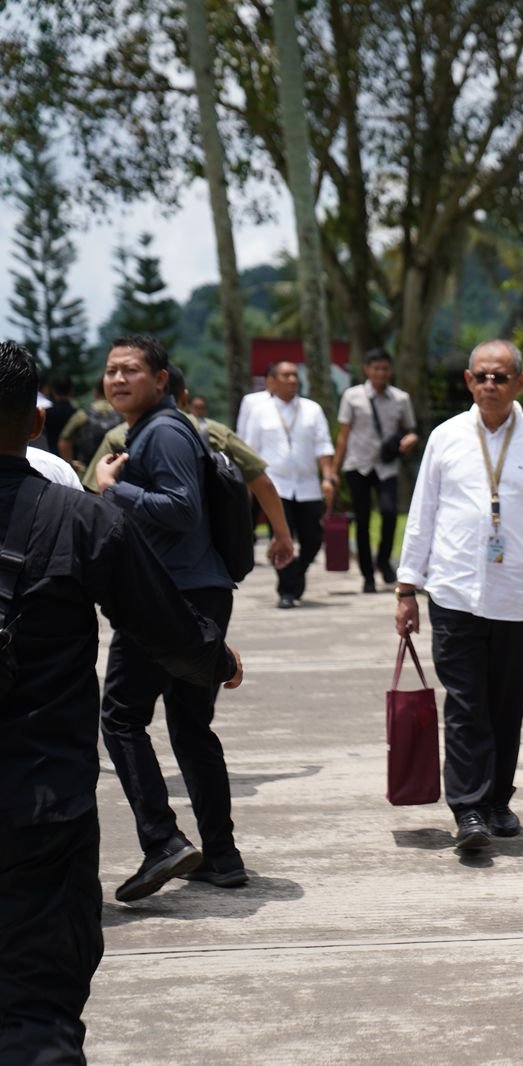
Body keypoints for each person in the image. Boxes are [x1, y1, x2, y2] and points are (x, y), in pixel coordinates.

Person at [0, 340, 243, 1065]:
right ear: (38, 425)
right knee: (38, 1016)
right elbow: (164, 629)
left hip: (46, 811)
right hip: (44, 815)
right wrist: (216, 657)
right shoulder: (81, 520)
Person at [394, 339, 523, 849]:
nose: (490, 384)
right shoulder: (446, 437)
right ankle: (468, 810)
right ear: (469, 381)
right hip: (454, 591)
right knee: (466, 704)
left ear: (520, 383)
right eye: (482, 376)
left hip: (516, 595)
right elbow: (422, 515)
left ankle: (497, 800)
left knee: (507, 704)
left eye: (500, 377)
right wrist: (406, 589)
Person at [93, 334, 251, 900]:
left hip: (169, 597)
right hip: (195, 593)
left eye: (130, 370)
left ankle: (163, 840)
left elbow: (181, 509)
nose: (117, 380)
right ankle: (223, 855)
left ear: (161, 380)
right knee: (189, 726)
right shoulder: (157, 429)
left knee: (119, 718)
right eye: (111, 371)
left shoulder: (162, 431)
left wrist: (114, 490)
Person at [82, 364, 295, 573]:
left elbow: (92, 497)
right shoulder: (214, 431)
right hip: (206, 559)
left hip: (143, 557)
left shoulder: (118, 437)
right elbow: (261, 481)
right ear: (184, 397)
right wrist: (282, 534)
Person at [236, 360, 336, 608]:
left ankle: (297, 573)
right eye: (286, 375)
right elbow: (250, 449)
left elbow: (323, 445)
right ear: (271, 381)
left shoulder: (312, 409)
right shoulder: (260, 411)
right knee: (280, 536)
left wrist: (328, 476)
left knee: (313, 538)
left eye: (294, 375)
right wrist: (249, 486)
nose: (292, 380)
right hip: (275, 486)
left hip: (308, 485)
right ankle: (286, 590)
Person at [331, 348, 419, 593]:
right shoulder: (352, 396)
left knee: (390, 513)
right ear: (366, 370)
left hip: (386, 465)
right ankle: (367, 575)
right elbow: (343, 435)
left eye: (384, 368)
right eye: (375, 368)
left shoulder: (401, 398)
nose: (380, 373)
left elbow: (410, 429)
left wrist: (411, 440)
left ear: (390, 371)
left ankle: (384, 561)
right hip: (357, 465)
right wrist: (333, 471)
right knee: (362, 520)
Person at [56, 380, 118, 470]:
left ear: (95, 392)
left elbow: (64, 441)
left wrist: (70, 463)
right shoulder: (122, 413)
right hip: (114, 469)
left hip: (86, 470)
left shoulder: (83, 413)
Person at [41, 375, 76, 453]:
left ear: (53, 390)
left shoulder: (45, 413)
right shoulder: (76, 413)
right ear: (72, 391)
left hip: (49, 454)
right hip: (71, 457)